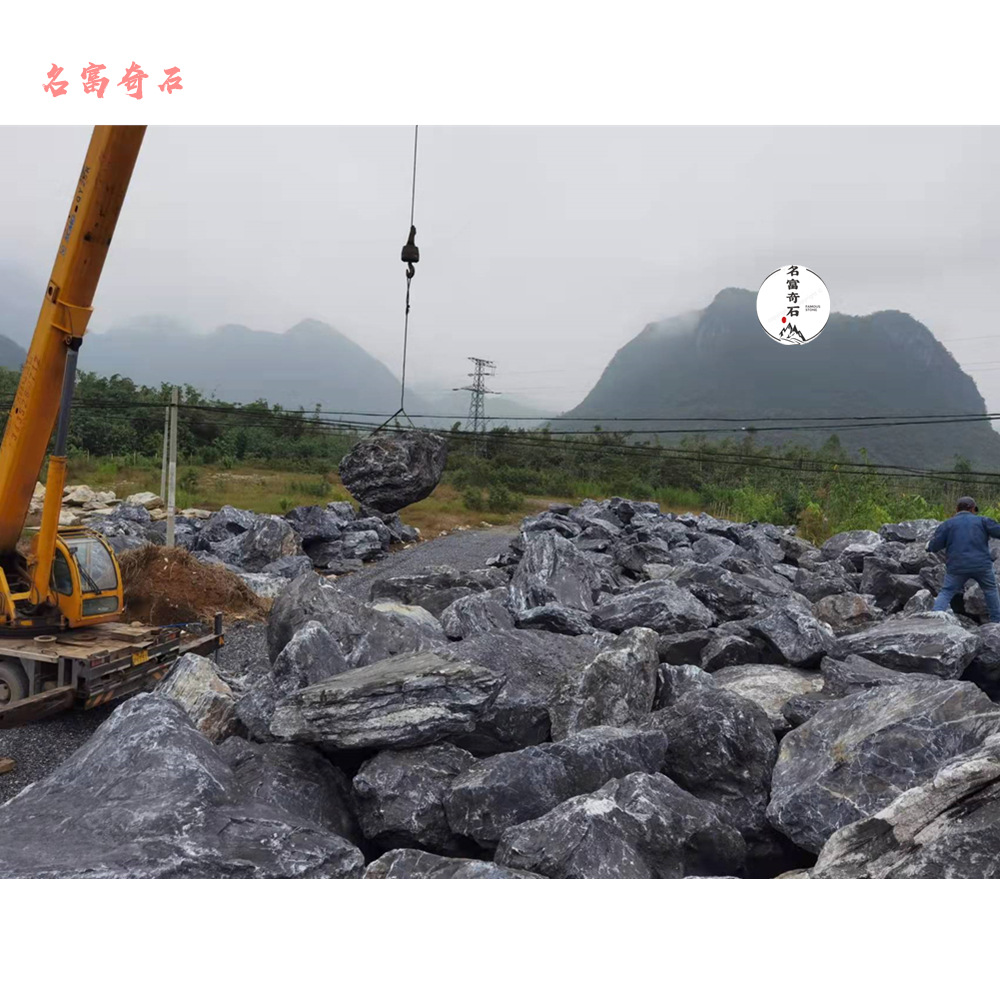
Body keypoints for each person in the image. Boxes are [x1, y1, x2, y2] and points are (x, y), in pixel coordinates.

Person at [926, 496, 1000, 623]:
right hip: (982, 566)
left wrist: (928, 546)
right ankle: (996, 622)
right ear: (972, 509)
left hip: (957, 567)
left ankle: (935, 621)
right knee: (990, 590)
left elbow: (934, 546)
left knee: (947, 592)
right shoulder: (983, 521)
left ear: (956, 509)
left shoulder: (948, 524)